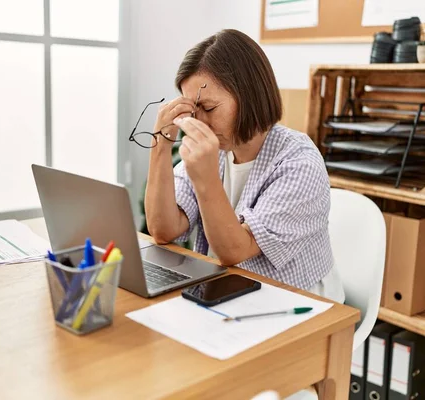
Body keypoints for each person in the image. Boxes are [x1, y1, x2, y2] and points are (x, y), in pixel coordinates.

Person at [141, 29, 344, 304]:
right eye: (192, 111)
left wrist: (206, 178)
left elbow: (235, 250)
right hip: (231, 293)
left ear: (248, 95)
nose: (198, 123)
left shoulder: (300, 162)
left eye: (209, 109)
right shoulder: (218, 149)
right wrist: (160, 147)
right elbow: (163, 229)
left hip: (299, 304)